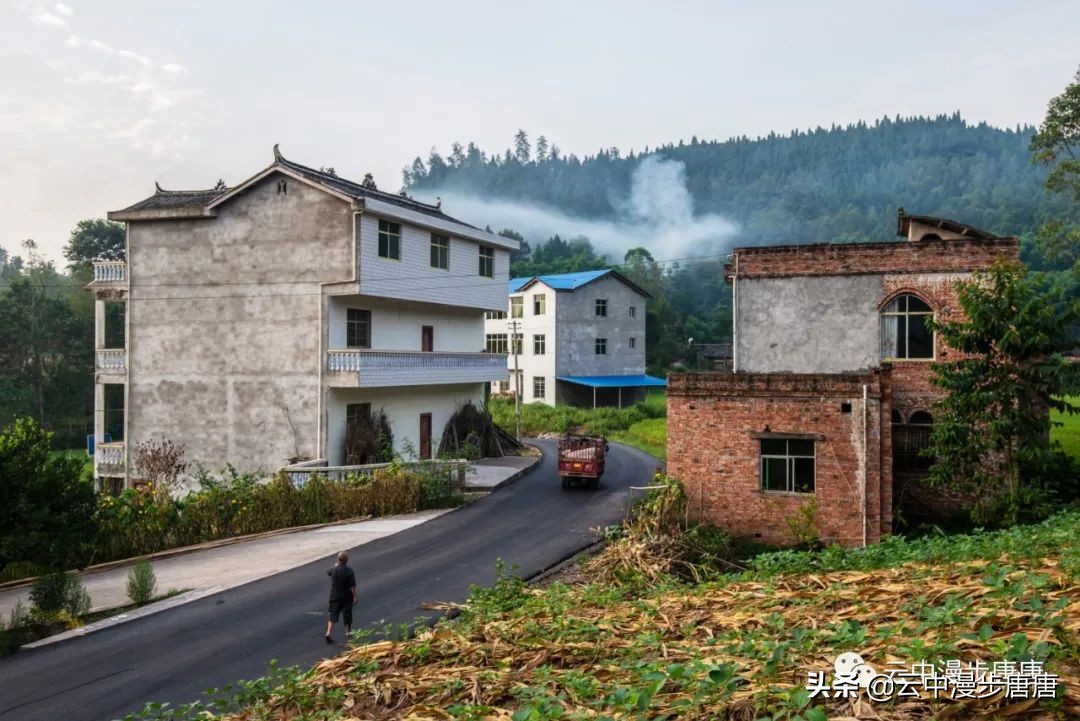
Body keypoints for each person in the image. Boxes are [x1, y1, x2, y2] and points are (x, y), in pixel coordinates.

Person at [325, 550, 356, 643]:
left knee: (333, 615)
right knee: (347, 614)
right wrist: (355, 596)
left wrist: (336, 565)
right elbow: (352, 585)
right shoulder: (349, 570)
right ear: (347, 560)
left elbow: (328, 572)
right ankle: (348, 631)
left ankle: (328, 632)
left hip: (334, 596)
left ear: (338, 559)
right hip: (346, 596)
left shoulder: (334, 569)